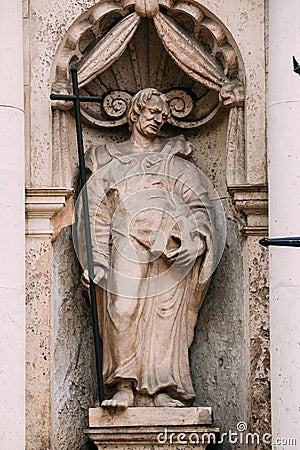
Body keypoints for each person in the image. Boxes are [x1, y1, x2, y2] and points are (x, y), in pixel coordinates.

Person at [77, 88, 217, 410]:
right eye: (152, 112)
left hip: (168, 249)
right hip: (125, 242)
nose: (159, 119)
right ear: (135, 112)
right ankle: (123, 385)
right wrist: (96, 261)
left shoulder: (174, 158)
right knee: (121, 309)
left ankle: (163, 389)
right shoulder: (105, 157)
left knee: (164, 320)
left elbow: (198, 204)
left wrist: (195, 240)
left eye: (163, 115)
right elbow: (95, 213)